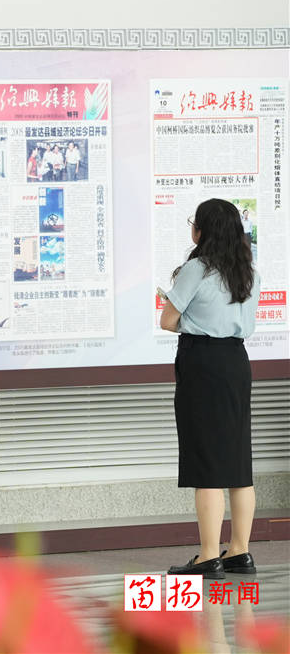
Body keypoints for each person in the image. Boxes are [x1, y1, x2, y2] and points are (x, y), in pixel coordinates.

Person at [160, 198, 260, 580]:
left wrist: (187, 312)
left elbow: (168, 321)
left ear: (202, 230)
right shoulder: (249, 272)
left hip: (202, 364)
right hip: (236, 362)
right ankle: (239, 552)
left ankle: (207, 557)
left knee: (206, 465)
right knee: (238, 463)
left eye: (194, 222)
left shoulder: (197, 268)